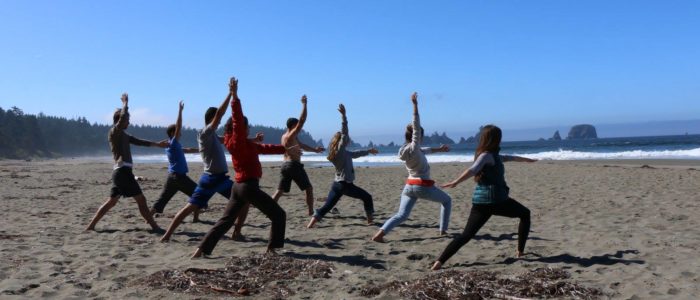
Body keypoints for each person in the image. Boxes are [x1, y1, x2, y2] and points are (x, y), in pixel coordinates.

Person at [193, 76, 294, 257]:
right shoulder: (238, 141)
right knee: (278, 215)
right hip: (247, 186)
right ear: (240, 129)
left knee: (225, 221)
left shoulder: (242, 143)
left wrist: (286, 148)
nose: (248, 129)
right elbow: (237, 119)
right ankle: (273, 249)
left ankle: (201, 249)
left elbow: (264, 148)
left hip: (237, 187)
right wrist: (235, 96)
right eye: (246, 127)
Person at [430, 125, 537, 270]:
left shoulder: (493, 156)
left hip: (481, 203)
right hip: (497, 201)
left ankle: (439, 262)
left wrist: (527, 160)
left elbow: (511, 157)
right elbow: (472, 170)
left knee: (466, 235)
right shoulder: (486, 155)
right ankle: (520, 252)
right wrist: (456, 182)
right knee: (525, 214)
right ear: (495, 139)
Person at [230, 95, 324, 240]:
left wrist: (315, 150)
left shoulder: (286, 136)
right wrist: (304, 105)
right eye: (297, 126)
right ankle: (311, 211)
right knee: (308, 189)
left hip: (285, 166)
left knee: (280, 191)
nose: (299, 128)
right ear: (293, 126)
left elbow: (302, 145)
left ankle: (269, 207)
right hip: (294, 165)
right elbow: (302, 122)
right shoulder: (291, 134)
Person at [372, 92, 452, 242]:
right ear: (417, 136)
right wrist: (415, 105)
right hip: (423, 186)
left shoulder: (408, 150)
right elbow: (416, 127)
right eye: (419, 135)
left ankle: (379, 234)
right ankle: (443, 231)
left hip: (409, 187)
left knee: (401, 215)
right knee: (447, 201)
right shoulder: (415, 147)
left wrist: (439, 150)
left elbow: (424, 150)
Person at [160, 90, 235, 242]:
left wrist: (254, 139)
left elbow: (225, 139)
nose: (219, 123)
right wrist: (230, 94)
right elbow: (220, 113)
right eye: (217, 120)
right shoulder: (205, 132)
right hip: (210, 179)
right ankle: (167, 235)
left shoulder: (212, 134)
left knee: (242, 200)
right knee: (189, 208)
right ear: (212, 119)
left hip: (222, 179)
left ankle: (237, 233)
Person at [86, 93, 168, 231]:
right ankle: (155, 227)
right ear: (119, 121)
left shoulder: (124, 135)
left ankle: (90, 226)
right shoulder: (114, 132)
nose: (128, 122)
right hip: (123, 173)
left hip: (121, 172)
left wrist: (157, 145)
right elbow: (123, 117)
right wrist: (125, 104)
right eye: (127, 120)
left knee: (111, 202)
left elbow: (140, 142)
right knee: (141, 200)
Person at [307, 104, 378, 228]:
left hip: (337, 184)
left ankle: (310, 224)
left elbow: (356, 154)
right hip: (345, 185)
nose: (348, 140)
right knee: (367, 197)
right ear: (340, 141)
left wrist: (368, 151)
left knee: (327, 206)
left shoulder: (342, 153)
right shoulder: (340, 151)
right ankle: (370, 221)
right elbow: (344, 133)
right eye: (345, 139)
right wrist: (344, 116)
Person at [150, 100, 201, 222]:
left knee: (161, 201)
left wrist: (201, 149)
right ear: (173, 133)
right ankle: (195, 218)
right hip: (179, 177)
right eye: (178, 132)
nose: (181, 134)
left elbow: (187, 150)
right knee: (199, 194)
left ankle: (148, 218)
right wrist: (180, 111)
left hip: (172, 177)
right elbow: (179, 125)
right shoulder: (173, 143)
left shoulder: (172, 145)